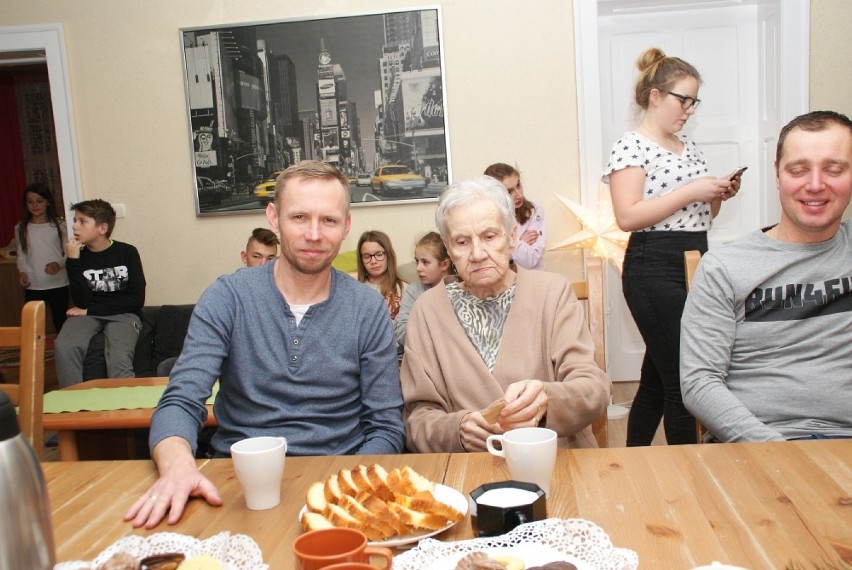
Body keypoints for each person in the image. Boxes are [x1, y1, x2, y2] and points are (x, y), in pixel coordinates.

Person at [125, 161, 404, 529]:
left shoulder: (367, 308)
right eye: (299, 217)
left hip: (341, 486)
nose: (314, 234)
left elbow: (385, 425)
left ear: (346, 226)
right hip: (236, 486)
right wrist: (177, 466)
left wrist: (345, 487)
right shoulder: (228, 297)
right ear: (274, 217)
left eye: (329, 221)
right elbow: (181, 399)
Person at [400, 176, 611, 453]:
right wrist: (457, 429)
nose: (477, 253)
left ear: (511, 237)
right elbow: (417, 420)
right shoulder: (427, 311)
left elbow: (593, 389)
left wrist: (546, 402)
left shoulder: (552, 293)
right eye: (462, 242)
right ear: (448, 249)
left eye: (489, 236)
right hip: (469, 472)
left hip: (554, 463)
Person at [681, 110, 852, 442]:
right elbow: (700, 381)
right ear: (777, 175)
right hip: (755, 449)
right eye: (798, 170)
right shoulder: (724, 268)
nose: (815, 185)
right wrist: (776, 451)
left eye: (834, 169)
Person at [602, 47, 740, 446]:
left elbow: (701, 216)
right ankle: (690, 474)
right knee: (684, 381)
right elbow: (627, 216)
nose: (689, 110)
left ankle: (632, 460)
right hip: (653, 266)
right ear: (655, 96)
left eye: (694, 102)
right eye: (684, 99)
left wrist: (715, 195)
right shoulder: (631, 145)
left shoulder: (688, 147)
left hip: (696, 260)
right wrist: (691, 190)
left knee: (656, 377)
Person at [54, 199, 146, 387]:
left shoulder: (127, 252)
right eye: (75, 220)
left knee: (119, 358)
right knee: (64, 346)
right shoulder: (77, 256)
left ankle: (126, 409)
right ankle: (71, 401)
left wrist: (90, 311)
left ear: (102, 228)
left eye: (82, 221)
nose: (74, 226)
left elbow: (137, 299)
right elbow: (82, 300)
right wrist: (72, 260)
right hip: (87, 314)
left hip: (123, 314)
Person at [15, 182, 70, 332]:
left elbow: (68, 252)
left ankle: (61, 353)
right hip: (34, 284)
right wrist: (23, 272)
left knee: (60, 321)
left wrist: (59, 264)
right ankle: (34, 353)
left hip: (58, 283)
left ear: (48, 202)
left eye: (39, 201)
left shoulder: (61, 225)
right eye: (30, 201)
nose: (35, 205)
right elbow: (22, 255)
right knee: (33, 325)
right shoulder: (21, 228)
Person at [393, 231, 453, 348]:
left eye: (425, 262)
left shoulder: (460, 289)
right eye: (417, 261)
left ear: (444, 264)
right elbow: (400, 330)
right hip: (422, 356)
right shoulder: (413, 292)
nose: (418, 268)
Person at [484, 163, 547, 270]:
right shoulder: (485, 218)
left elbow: (530, 260)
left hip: (533, 281)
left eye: (518, 185)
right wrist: (518, 242)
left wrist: (507, 244)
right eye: (509, 191)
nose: (519, 194)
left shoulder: (534, 209)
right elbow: (490, 261)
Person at [356, 230, 407, 321]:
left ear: (388, 255)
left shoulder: (404, 288)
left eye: (379, 254)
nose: (373, 261)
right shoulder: (356, 289)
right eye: (367, 257)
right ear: (361, 260)